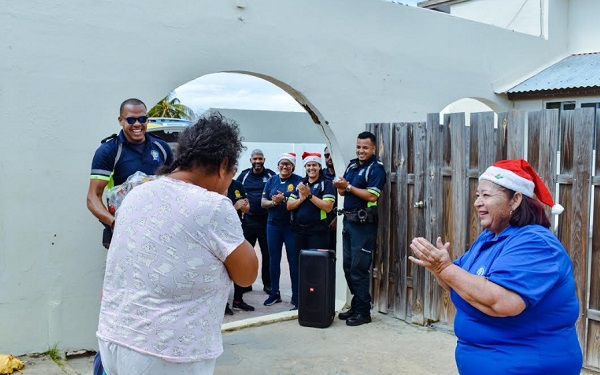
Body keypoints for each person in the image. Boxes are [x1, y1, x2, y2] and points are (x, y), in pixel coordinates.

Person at [96, 113, 258, 374]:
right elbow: (246, 275)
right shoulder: (213, 206)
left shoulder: (138, 193)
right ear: (223, 165)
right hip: (166, 354)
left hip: (113, 341)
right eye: (232, 173)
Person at [409, 159, 583, 375]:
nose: (477, 202)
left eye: (486, 195)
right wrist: (439, 268)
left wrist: (445, 268)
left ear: (516, 199)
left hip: (528, 366)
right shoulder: (490, 238)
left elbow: (503, 302)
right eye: (477, 196)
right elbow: (458, 284)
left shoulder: (536, 243)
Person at [87, 98, 174, 249]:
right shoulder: (109, 151)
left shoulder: (161, 147)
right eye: (131, 120)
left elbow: (176, 185)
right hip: (124, 233)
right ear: (120, 120)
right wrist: (114, 223)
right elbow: (92, 197)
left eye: (142, 119)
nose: (137, 124)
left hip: (159, 230)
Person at [333, 131, 386, 326]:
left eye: (365, 147)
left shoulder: (377, 169)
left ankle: (364, 312)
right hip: (348, 222)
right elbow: (342, 191)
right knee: (348, 266)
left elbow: (372, 196)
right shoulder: (352, 165)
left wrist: (347, 187)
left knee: (358, 268)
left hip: (364, 226)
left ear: (373, 149)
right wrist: (340, 185)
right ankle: (357, 305)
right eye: (358, 147)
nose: (361, 151)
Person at [262, 153, 302, 309]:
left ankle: (296, 296)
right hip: (273, 226)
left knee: (293, 261)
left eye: (288, 164)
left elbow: (298, 201)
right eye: (282, 164)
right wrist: (274, 202)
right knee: (273, 260)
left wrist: (283, 200)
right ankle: (274, 293)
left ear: (293, 166)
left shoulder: (298, 181)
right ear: (278, 165)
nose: (284, 166)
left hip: (290, 226)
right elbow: (263, 202)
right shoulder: (272, 180)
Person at [236, 149, 275, 294]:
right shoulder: (244, 175)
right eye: (255, 159)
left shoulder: (271, 175)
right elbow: (236, 192)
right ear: (251, 160)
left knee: (268, 254)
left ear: (264, 160)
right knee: (247, 255)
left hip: (266, 221)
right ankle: (245, 284)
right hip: (249, 221)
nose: (257, 161)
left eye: (260, 159)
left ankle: (268, 284)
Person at [287, 151, 336, 256]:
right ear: (305, 167)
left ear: (319, 167)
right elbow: (289, 205)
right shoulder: (300, 183)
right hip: (299, 231)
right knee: (300, 262)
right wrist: (301, 199)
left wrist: (309, 196)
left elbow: (328, 207)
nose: (311, 168)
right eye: (308, 165)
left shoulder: (327, 183)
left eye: (314, 165)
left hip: (318, 232)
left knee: (316, 263)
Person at [225, 177, 254, 314]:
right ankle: (223, 304)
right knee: (223, 269)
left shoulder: (238, 185)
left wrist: (244, 206)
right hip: (221, 231)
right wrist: (235, 207)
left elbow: (247, 209)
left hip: (237, 231)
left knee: (239, 264)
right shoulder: (214, 183)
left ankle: (238, 300)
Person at [322, 146, 338, 251]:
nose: (329, 158)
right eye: (327, 155)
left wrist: (337, 219)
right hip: (322, 221)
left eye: (332, 154)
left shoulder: (344, 173)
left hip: (338, 217)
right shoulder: (320, 174)